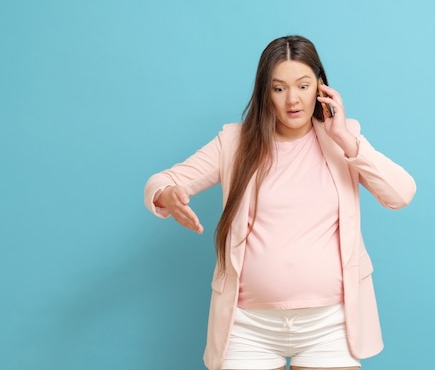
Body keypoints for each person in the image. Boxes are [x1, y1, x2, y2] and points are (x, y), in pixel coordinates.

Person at [144, 35, 416, 370]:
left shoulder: (343, 139)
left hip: (330, 325)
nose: (292, 100)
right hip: (247, 328)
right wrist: (168, 196)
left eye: (302, 86)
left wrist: (345, 138)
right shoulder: (234, 142)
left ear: (320, 86)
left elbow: (401, 193)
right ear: (265, 92)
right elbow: (161, 181)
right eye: (279, 88)